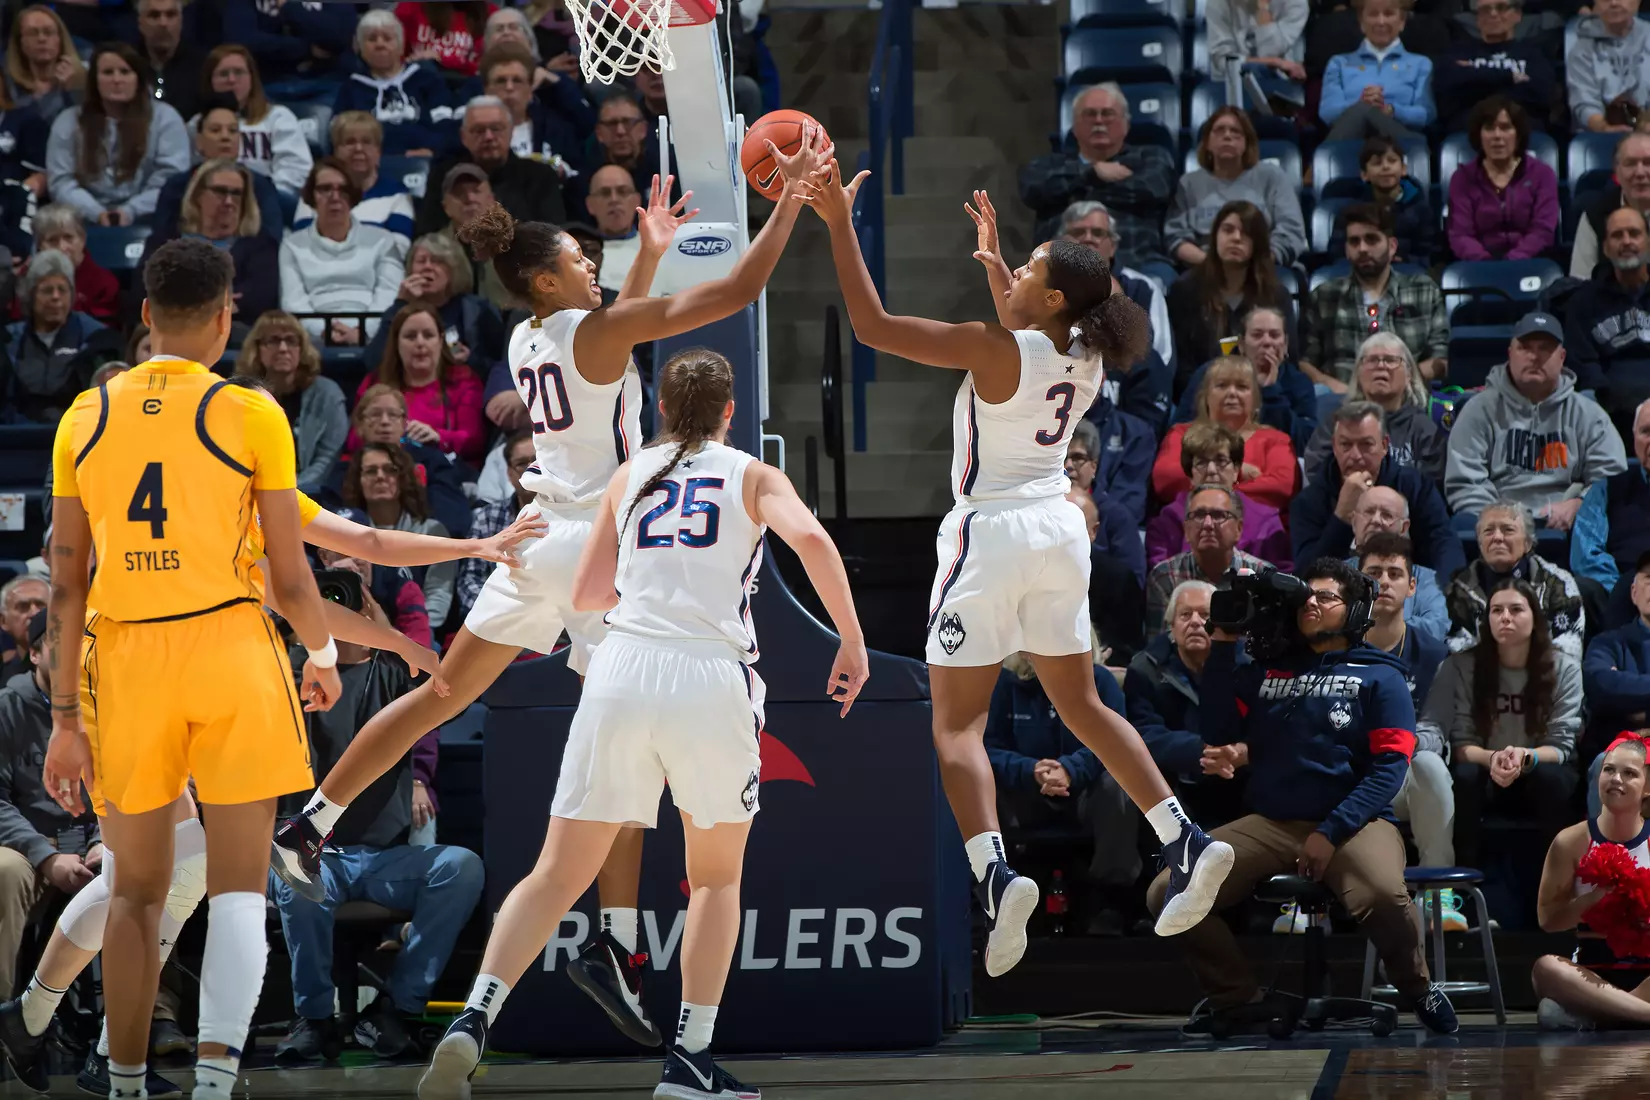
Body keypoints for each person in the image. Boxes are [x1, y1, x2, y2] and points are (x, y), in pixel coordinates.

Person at [271, 154, 824, 1054]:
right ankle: (616, 942)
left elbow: (608, 344)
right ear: (545, 279)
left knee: (441, 694)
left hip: (535, 539)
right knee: (628, 748)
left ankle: (312, 823)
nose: (592, 262)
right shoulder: (591, 333)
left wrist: (648, 256)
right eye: (578, 256)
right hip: (602, 549)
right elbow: (735, 290)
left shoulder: (526, 339)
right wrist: (790, 205)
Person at [1, 457, 537, 1094]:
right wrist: (66, 720)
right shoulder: (196, 492)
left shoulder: (256, 493)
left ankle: (56, 1027)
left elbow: (357, 547)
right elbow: (302, 586)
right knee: (147, 879)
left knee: (182, 870)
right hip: (126, 679)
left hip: (195, 684)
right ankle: (99, 1046)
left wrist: (461, 563)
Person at [416, 345, 866, 1100]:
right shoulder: (753, 474)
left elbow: (588, 595)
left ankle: (474, 1017)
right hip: (708, 673)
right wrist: (850, 639)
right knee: (715, 879)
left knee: (557, 872)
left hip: (621, 668)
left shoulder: (629, 476)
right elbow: (814, 541)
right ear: (730, 412)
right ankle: (689, 1059)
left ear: (660, 408)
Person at [811, 172, 1234, 968]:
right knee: (1084, 704)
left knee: (955, 726)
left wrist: (837, 220)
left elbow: (871, 327)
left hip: (991, 531)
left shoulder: (992, 348)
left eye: (1031, 269)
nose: (1016, 276)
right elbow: (1034, 331)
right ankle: (1185, 838)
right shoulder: (1091, 355)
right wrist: (1004, 268)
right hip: (1058, 528)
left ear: (1052, 300)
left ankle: (996, 876)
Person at [39, 238, 343, 1100]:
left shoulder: (83, 417)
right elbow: (292, 577)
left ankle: (125, 1082)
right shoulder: (251, 414)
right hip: (230, 651)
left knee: (135, 895)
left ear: (144, 315)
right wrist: (322, 652)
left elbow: (65, 585)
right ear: (225, 317)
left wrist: (64, 720)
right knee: (240, 891)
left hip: (128, 660)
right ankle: (213, 1084)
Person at [1151, 557, 1456, 1035]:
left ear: (1355, 610)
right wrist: (1224, 644)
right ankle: (1238, 999)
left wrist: (1330, 832)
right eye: (1306, 597)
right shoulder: (1265, 671)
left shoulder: (1382, 676)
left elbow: (1389, 771)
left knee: (1383, 895)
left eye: (1327, 597)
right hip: (1272, 821)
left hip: (1356, 822)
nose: (1312, 603)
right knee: (1168, 892)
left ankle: (1415, 985)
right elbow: (1217, 731)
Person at [269, 630, 483, 1063]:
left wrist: (377, 620)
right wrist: (312, 649)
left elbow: (451, 690)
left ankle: (396, 1009)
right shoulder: (284, 674)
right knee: (294, 879)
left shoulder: (392, 673)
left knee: (461, 867)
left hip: (385, 856)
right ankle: (314, 1019)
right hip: (309, 853)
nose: (342, 612)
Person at [986, 646, 1142, 936]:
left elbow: (1115, 740)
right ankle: (992, 897)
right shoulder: (1004, 683)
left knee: (1118, 785)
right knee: (977, 781)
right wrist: (1031, 769)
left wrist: (1070, 769)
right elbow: (987, 748)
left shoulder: (1100, 681)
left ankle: (1111, 901)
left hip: (1084, 793)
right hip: (1026, 792)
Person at [1432, 577, 1582, 872]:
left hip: (1538, 768)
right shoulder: (1462, 666)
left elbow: (1561, 745)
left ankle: (1559, 881)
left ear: (1535, 617)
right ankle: (1460, 881)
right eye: (1497, 610)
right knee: (1464, 774)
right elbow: (1461, 743)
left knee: (1552, 777)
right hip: (1486, 771)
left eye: (1516, 609)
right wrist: (1494, 758)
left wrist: (1524, 756)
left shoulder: (1565, 668)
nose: (1505, 617)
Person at [1445, 312, 1627, 528]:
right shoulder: (1479, 410)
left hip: (1570, 527)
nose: (1534, 356)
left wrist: (1580, 504)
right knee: (1463, 524)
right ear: (1510, 354)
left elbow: (1611, 477)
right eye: (1525, 348)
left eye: (1545, 348)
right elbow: (1465, 483)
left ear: (1562, 357)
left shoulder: (1588, 414)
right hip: (1497, 528)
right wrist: (1501, 520)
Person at [1359, 533, 1458, 926]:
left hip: (1404, 773)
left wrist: (1392, 746)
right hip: (1349, 773)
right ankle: (1308, 902)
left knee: (1431, 763)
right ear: (1358, 582)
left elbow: (1435, 729)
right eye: (1373, 573)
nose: (1384, 581)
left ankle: (1438, 896)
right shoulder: (1335, 649)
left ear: (1412, 586)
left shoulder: (1435, 653)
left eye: (1394, 573)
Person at [1529, 736, 1650, 1031]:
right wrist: (1592, 900)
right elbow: (1548, 920)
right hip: (1590, 977)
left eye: (1629, 773)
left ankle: (1600, 1015)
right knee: (1545, 968)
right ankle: (1638, 1014)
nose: (1616, 779)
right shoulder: (1570, 841)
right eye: (1609, 770)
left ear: (1647, 788)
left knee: (1552, 1012)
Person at [1126, 580, 1249, 831]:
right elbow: (1143, 734)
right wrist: (1200, 750)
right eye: (1185, 614)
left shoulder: (1248, 665)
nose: (1195, 622)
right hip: (1174, 781)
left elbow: (1267, 724)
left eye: (1205, 615)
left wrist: (1242, 751)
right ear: (1171, 626)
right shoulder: (1144, 669)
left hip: (1238, 775)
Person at [1291, 402, 1464, 580]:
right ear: (1334, 446)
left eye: (1366, 444)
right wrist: (1341, 516)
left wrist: (1445, 590)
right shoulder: (1309, 502)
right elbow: (1307, 575)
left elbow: (1445, 545)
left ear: (1384, 445)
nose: (1356, 455)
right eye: (1346, 445)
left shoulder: (1415, 487)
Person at [1018, 83, 1177, 268]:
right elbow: (1032, 189)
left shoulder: (1150, 157)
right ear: (1074, 126)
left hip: (1138, 263)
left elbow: (1154, 188)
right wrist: (1091, 173)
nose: (1099, 121)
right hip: (1058, 268)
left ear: (1125, 124)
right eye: (1090, 114)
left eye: (1107, 114)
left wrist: (1075, 189)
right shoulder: (1047, 165)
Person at [1299, 203, 1449, 389]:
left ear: (1392, 246)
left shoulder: (1424, 291)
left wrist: (1399, 384)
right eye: (1354, 241)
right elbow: (1305, 362)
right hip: (1341, 398)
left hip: (1407, 396)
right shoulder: (1324, 296)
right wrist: (1336, 388)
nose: (1362, 248)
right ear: (1346, 250)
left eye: (1371, 239)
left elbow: (1440, 358)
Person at [1055, 199, 1175, 430]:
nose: (1088, 239)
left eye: (1098, 233)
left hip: (1125, 406)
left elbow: (1160, 362)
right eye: (1078, 232)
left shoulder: (1143, 288)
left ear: (1113, 245)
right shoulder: (1044, 288)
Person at [45, 42, 189, 226]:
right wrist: (96, 213)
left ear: (138, 79)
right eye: (107, 72)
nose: (116, 79)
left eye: (125, 72)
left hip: (150, 219)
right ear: (94, 80)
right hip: (82, 221)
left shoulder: (166, 118)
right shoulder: (68, 121)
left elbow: (171, 178)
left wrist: (131, 210)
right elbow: (61, 181)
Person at [1165, 202, 1298, 387]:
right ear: (1215, 236)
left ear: (1258, 243)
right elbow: (1180, 365)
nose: (1236, 238)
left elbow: (1290, 361)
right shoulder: (1185, 291)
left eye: (1246, 233)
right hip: (1200, 393)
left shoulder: (1275, 295)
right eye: (1228, 230)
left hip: (1264, 392)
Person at [139, 158, 281, 328]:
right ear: (198, 194)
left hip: (234, 330)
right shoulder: (165, 241)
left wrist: (186, 303)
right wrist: (215, 305)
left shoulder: (261, 245)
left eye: (237, 193)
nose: (229, 201)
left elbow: (259, 299)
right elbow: (143, 292)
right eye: (220, 191)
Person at [279, 157, 406, 346]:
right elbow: (293, 302)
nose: (335, 197)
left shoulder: (383, 240)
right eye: (325, 189)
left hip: (374, 338)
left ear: (353, 195)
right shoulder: (292, 245)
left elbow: (389, 295)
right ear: (312, 196)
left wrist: (362, 332)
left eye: (343, 189)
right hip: (312, 341)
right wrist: (324, 331)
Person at [1154, 356, 1299, 512]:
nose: (1232, 393)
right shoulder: (1181, 433)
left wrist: (1208, 488)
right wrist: (1237, 471)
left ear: (1255, 399)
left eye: (1242, 387)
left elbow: (1282, 488)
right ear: (1205, 396)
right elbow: (1166, 478)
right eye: (1222, 385)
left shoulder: (1276, 440)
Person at [1165, 109, 1305, 270]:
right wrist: (1213, 265)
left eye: (1236, 132)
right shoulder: (1189, 183)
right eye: (1219, 130)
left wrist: (1258, 263)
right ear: (1207, 142)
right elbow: (1176, 236)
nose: (1227, 136)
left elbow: (1291, 230)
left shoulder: (1272, 177)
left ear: (1246, 143)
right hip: (1205, 267)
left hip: (1264, 266)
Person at [1300, 332, 1447, 486]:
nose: (1381, 366)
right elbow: (1316, 470)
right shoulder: (1338, 422)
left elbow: (1432, 485)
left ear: (1408, 375)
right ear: (1358, 373)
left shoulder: (1423, 428)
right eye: (1372, 360)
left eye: (1390, 360)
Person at [1447, 500, 1588, 659]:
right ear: (1480, 543)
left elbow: (1568, 653)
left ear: (1528, 543)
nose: (1497, 537)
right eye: (1488, 531)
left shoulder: (1558, 583)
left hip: (1544, 673)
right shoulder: (1459, 589)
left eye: (1508, 530)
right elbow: (1457, 653)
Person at [342, 443, 458, 632]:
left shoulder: (431, 532)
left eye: (390, 470)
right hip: (358, 632)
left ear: (403, 478)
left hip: (417, 634)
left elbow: (438, 599)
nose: (380, 476)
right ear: (358, 481)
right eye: (371, 471)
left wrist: (409, 635)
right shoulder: (346, 533)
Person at [1146, 423, 1292, 570]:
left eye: (1221, 461)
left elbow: (1281, 574)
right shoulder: (1168, 521)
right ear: (1190, 475)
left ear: (1236, 470)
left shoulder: (1265, 520)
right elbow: (1160, 575)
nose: (1211, 470)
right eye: (1201, 462)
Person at [414, 96, 566, 237]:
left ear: (511, 132)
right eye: (478, 130)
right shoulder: (444, 176)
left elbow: (553, 237)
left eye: (496, 128)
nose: (488, 137)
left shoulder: (540, 176)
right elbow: (427, 234)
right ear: (463, 137)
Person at [356, 302, 486, 466]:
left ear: (440, 341)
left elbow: (474, 441)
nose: (420, 343)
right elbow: (354, 439)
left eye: (428, 335)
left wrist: (438, 437)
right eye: (410, 336)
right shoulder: (375, 381)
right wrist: (386, 435)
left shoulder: (464, 380)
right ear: (396, 343)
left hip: (444, 472)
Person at [1173, 305, 1317, 452]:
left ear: (1285, 344)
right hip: (1214, 455)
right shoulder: (1211, 373)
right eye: (1257, 335)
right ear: (1241, 344)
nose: (1267, 342)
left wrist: (1271, 393)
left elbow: (1307, 444)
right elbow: (1179, 431)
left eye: (1274, 335)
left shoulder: (1299, 382)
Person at [235, 311, 350, 494]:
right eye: (273, 341)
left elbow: (327, 458)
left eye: (291, 341)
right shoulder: (240, 395)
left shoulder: (327, 394)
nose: (283, 348)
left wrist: (292, 491)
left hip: (311, 494)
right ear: (257, 348)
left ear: (301, 349)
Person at [363, 230, 507, 373]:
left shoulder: (478, 310)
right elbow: (372, 362)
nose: (427, 267)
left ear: (454, 270)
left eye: (437, 261)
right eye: (421, 261)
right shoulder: (402, 309)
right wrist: (400, 303)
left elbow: (501, 367)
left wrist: (470, 360)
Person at [151, 95, 286, 246]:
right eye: (215, 130)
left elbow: (272, 239)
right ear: (199, 141)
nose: (225, 137)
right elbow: (161, 240)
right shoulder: (176, 186)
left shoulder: (261, 186)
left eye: (232, 130)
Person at [1, 250, 111, 424]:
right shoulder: (10, 340)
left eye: (62, 290)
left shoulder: (95, 337)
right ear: (31, 295)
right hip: (19, 434)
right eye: (47, 290)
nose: (56, 297)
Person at [1146, 484, 1274, 631]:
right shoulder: (1164, 576)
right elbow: (1160, 642)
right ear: (1186, 530)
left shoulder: (1263, 576)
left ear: (1238, 529)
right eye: (1199, 515)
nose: (1208, 524)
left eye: (1218, 515)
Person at [1447, 96, 1560, 262]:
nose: (1497, 136)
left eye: (1505, 128)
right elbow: (1461, 235)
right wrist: (1487, 264)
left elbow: (1543, 230)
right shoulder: (1462, 178)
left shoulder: (1542, 174)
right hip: (1478, 266)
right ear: (1479, 135)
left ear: (1518, 135)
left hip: (1530, 262)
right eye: (1489, 128)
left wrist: (1513, 261)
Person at [1564, 206, 1650, 418]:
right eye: (1617, 235)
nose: (1626, 241)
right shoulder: (1582, 301)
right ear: (1605, 248)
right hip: (1610, 414)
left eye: (1634, 233)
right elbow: (1583, 363)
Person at [333, 10, 455, 157]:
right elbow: (340, 136)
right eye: (371, 39)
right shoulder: (351, 89)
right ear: (360, 49)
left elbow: (445, 126)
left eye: (387, 38)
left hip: (426, 158)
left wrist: (433, 151)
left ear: (401, 46)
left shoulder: (428, 80)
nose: (380, 44)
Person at [198, 45, 313, 196]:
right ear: (210, 81)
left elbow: (297, 168)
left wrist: (263, 197)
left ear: (252, 78)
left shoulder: (278, 117)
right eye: (223, 74)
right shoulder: (198, 124)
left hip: (270, 199)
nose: (231, 80)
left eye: (239, 72)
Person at [1434, 0, 1559, 135]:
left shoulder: (1532, 53)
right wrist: (1509, 76)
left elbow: (1543, 95)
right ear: (1477, 18)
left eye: (1501, 8)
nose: (1493, 14)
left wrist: (1475, 81)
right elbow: (1448, 97)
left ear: (1517, 14)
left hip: (1525, 133)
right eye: (1485, 10)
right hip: (1467, 133)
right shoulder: (1458, 52)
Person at [1319, 0, 1436, 142]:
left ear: (1402, 21)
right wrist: (1361, 104)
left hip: (1399, 143)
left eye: (1388, 14)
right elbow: (1328, 113)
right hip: (1351, 141)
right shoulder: (1339, 63)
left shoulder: (1421, 64)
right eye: (1373, 14)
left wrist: (1392, 110)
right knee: (1364, 110)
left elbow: (1426, 115)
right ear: (1361, 22)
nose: (1381, 22)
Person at [293, 113, 419, 244]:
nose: (358, 148)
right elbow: (301, 244)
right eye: (350, 142)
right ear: (335, 151)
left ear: (378, 152)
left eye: (366, 142)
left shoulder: (397, 195)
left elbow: (397, 249)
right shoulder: (315, 191)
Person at [1574, 399, 1650, 612]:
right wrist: (1628, 592)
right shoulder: (1606, 488)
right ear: (1634, 437)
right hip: (1618, 599)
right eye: (1646, 432)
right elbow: (1587, 555)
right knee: (1583, 588)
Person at [1348, 485, 1450, 637]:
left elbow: (1436, 627)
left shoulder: (1426, 579)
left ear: (1404, 528)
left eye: (1387, 515)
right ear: (1354, 522)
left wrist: (1379, 630)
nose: (1376, 520)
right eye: (1369, 512)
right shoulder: (1336, 575)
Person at [456, 430, 534, 623]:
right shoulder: (488, 517)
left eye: (537, 461)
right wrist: (497, 613)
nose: (531, 468)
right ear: (509, 474)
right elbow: (469, 580)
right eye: (522, 463)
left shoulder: (572, 514)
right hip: (501, 619)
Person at [1583, 550, 1650, 763]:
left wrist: (1640, 712)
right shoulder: (1606, 644)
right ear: (1634, 592)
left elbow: (1616, 692)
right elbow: (1600, 688)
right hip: (1616, 754)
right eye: (1649, 579)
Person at [1067, 419, 1147, 585]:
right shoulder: (1037, 509)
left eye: (1078, 458)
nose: (1068, 466)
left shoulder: (1117, 518)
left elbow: (1132, 582)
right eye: (1061, 457)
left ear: (1094, 467)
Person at [1347, 135, 1436, 268]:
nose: (1386, 167)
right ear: (1364, 175)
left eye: (1392, 161)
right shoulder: (1353, 211)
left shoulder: (1421, 209)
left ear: (1403, 169)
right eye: (1377, 163)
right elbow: (1338, 254)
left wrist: (1403, 259)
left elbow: (1429, 255)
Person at [1571, 133, 1650, 279]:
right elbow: (1580, 279)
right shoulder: (1595, 211)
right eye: (1630, 164)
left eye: (1648, 163)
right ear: (1616, 172)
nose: (1640, 173)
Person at [1566, 0, 1650, 135]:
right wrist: (1603, 127)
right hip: (1602, 134)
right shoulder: (1581, 50)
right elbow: (1584, 101)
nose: (1614, 3)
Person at [25, 204, 117, 322]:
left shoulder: (104, 283)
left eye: (68, 238)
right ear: (39, 245)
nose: (62, 247)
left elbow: (102, 330)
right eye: (52, 240)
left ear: (82, 239)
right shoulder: (26, 279)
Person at [1206, 0, 1308, 105]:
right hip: (1229, 83)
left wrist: (1263, 9)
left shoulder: (1295, 4)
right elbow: (1224, 61)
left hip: (1277, 81)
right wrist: (1274, 62)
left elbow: (1270, 50)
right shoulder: (1218, 3)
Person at [3, 6, 84, 126]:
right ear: (20, 42)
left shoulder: (82, 82)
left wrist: (70, 89)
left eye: (48, 32)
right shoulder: (8, 84)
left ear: (60, 39)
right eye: (33, 33)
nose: (42, 39)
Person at [396, 1, 497, 79]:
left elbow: (485, 66)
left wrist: (440, 59)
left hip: (467, 82)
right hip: (420, 80)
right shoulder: (409, 9)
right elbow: (397, 58)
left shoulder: (489, 13)